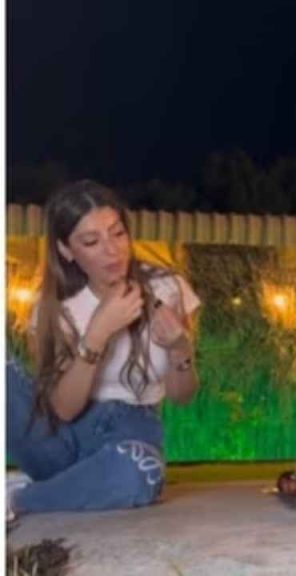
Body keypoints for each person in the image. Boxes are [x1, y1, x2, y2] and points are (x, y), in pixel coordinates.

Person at [6, 180, 201, 521]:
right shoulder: (53, 307)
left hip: (130, 434)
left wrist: (179, 346)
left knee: (140, 474)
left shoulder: (167, 288)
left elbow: (182, 396)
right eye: (92, 241)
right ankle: (68, 485)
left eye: (118, 234)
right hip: (57, 439)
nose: (112, 251)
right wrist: (97, 335)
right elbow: (62, 411)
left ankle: (22, 498)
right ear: (66, 250)